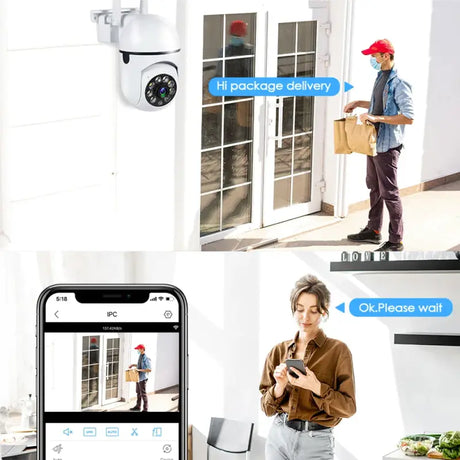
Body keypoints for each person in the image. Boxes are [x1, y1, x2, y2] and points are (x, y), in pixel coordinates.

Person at [260, 275, 356, 460]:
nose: (305, 317)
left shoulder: (338, 351)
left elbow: (348, 408)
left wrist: (315, 386)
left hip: (316, 442)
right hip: (278, 437)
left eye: (313, 310)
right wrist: (279, 387)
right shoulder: (278, 351)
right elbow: (266, 409)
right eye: (299, 309)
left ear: (324, 310)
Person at [345, 39, 414, 252]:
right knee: (373, 187)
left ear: (385, 56)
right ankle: (374, 231)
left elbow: (408, 117)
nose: (372, 59)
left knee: (390, 193)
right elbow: (378, 105)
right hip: (373, 142)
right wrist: (358, 103)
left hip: (387, 146)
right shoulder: (380, 77)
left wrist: (377, 118)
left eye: (374, 56)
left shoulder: (399, 83)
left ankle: (396, 240)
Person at [129, 344, 151, 412]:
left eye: (138, 349)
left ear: (142, 349)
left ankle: (145, 409)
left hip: (143, 378)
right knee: (138, 392)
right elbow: (140, 365)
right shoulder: (140, 356)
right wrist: (133, 365)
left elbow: (149, 369)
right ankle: (138, 406)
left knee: (143, 394)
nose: (137, 350)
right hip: (138, 377)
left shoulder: (146, 358)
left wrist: (139, 370)